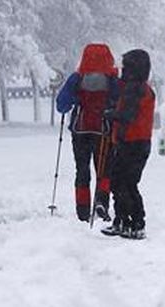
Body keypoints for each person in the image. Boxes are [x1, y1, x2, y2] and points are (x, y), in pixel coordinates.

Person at [54, 43, 120, 222]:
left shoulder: (77, 78)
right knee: (104, 170)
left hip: (80, 131)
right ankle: (101, 202)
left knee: (82, 170)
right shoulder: (112, 79)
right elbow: (119, 102)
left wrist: (76, 99)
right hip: (104, 130)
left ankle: (82, 210)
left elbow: (61, 105)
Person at [100, 49, 156, 239]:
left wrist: (110, 114)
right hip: (138, 142)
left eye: (125, 67)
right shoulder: (143, 88)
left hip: (131, 143)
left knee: (123, 183)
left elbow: (128, 115)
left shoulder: (134, 89)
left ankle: (134, 222)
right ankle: (124, 221)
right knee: (124, 183)